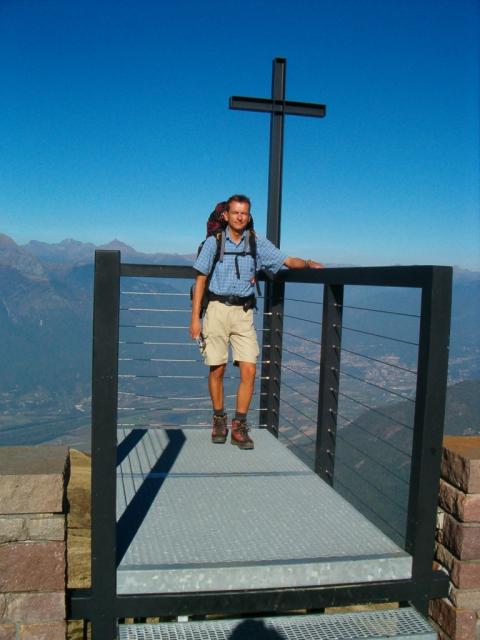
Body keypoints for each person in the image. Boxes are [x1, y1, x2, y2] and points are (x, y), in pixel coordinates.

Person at [189, 194, 324, 450]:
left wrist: (307, 264)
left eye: (245, 213)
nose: (240, 217)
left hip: (244, 313)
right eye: (236, 212)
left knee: (249, 369)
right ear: (225, 215)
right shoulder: (213, 242)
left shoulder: (256, 242)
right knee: (217, 369)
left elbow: (286, 260)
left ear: (249, 216)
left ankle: (239, 426)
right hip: (216, 310)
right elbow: (200, 280)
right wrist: (195, 319)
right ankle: (219, 420)